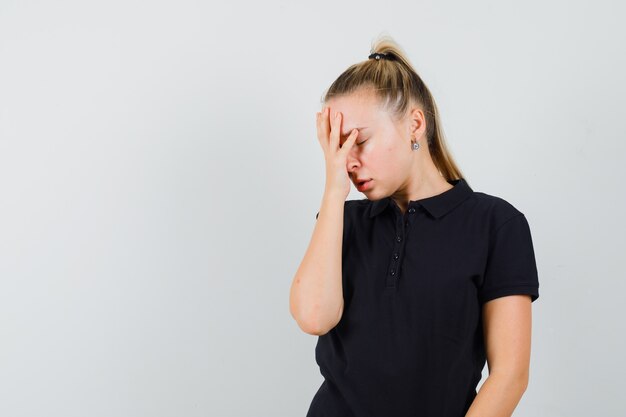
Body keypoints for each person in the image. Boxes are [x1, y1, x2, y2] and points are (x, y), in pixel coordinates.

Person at [289, 34, 540, 417]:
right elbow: (313, 317)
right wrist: (333, 191)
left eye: (360, 140)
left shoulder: (496, 225)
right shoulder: (343, 220)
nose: (348, 161)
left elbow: (509, 375)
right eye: (337, 147)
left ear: (415, 125)